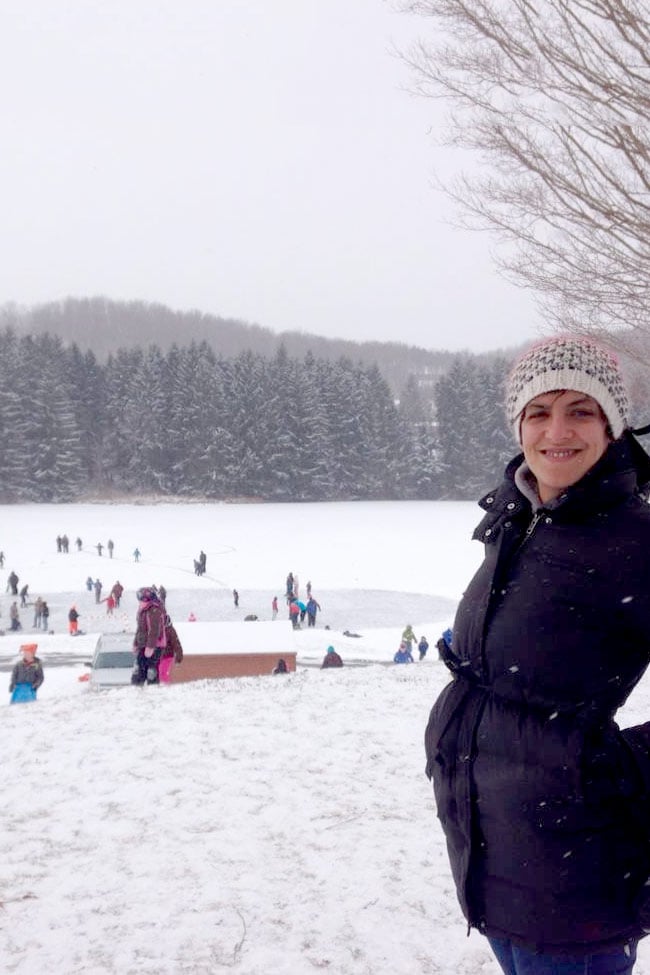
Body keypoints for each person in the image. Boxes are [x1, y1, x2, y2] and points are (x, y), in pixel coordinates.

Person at [425, 335, 650, 975]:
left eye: (580, 410)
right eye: (539, 411)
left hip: (575, 874)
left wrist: (617, 770)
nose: (557, 430)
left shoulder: (635, 538)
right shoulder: (518, 518)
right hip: (493, 854)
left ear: (611, 427)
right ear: (518, 424)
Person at [132, 587, 166, 686]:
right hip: (143, 644)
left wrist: (150, 647)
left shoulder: (153, 610)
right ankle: (138, 691)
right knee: (139, 670)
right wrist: (136, 643)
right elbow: (140, 629)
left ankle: (153, 693)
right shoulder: (143, 610)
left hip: (154, 646)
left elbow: (154, 630)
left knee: (151, 672)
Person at [158, 614, 183, 684]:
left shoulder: (170, 631)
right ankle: (162, 684)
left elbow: (176, 644)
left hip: (167, 656)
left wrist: (179, 657)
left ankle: (166, 685)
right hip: (160, 656)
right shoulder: (160, 631)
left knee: (163, 672)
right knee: (159, 672)